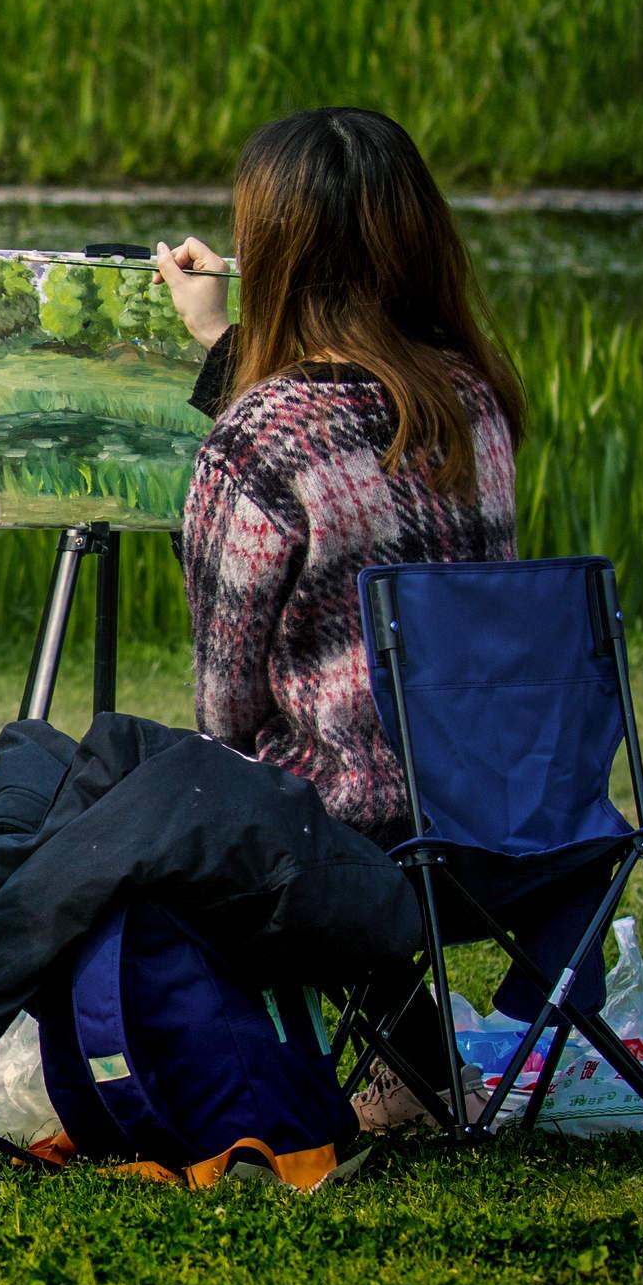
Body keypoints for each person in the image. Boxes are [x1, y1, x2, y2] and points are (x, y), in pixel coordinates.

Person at [154, 107, 524, 1125]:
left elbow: (223, 717)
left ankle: (397, 1053)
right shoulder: (478, 404)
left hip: (347, 846)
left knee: (109, 780)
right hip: (510, 825)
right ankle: (415, 1055)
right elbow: (355, 421)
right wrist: (221, 337)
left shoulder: (256, 443)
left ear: (270, 250)